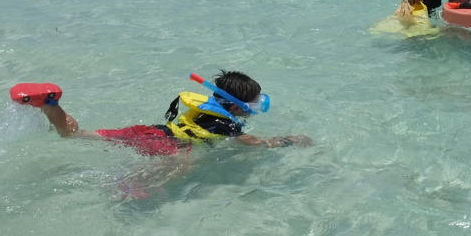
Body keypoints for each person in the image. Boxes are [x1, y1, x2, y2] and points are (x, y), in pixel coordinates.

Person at [36, 70, 312, 155]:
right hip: (168, 145)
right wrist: (291, 140)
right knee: (181, 164)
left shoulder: (205, 113)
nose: (255, 109)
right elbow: (258, 145)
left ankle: (51, 105)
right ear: (234, 106)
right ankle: (130, 187)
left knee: (78, 135)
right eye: (253, 104)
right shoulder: (229, 127)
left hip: (150, 130)